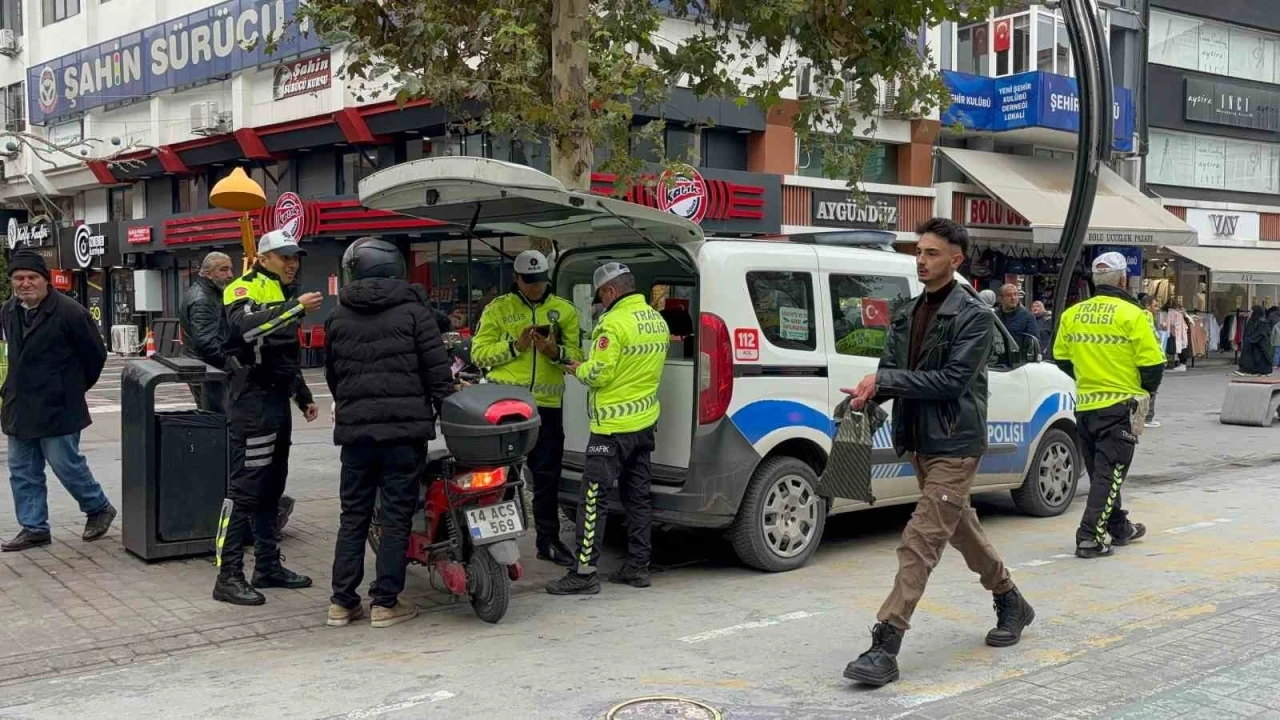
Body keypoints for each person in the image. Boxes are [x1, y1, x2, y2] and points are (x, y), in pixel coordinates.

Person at [841, 218, 1032, 688]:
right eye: (919, 252)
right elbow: (892, 371)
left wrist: (886, 381)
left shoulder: (975, 316)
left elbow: (951, 382)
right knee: (959, 529)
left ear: (955, 260)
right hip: (918, 442)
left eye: (931, 253)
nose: (921, 261)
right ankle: (1011, 599)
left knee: (920, 539)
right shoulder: (906, 312)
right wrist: (868, 395)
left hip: (956, 444)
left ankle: (885, 642)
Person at [323, 238, 455, 629]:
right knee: (396, 517)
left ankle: (341, 603)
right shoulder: (416, 314)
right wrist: (446, 408)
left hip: (356, 436)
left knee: (354, 517)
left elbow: (332, 376)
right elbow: (438, 374)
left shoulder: (337, 317)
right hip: (404, 433)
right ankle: (384, 603)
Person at [212, 230, 322, 606]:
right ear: (263, 258)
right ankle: (227, 576)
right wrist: (295, 309)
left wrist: (302, 395)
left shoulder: (285, 294)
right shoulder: (242, 288)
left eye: (295, 257)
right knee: (244, 490)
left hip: (275, 401)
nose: (292, 263)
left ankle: (268, 566)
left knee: (272, 487)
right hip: (251, 402)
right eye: (283, 256)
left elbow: (282, 356)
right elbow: (245, 329)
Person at [546, 262, 668, 595]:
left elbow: (599, 373)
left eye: (600, 295)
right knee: (638, 498)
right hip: (644, 424)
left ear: (610, 291)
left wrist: (576, 368)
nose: (599, 302)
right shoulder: (657, 320)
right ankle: (638, 567)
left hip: (611, 428)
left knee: (592, 499)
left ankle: (584, 573)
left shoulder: (611, 324)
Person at [471, 250, 582, 567]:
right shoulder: (498, 309)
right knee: (499, 475)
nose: (535, 287)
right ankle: (494, 542)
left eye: (540, 281)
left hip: (547, 407)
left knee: (548, 478)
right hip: (505, 407)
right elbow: (479, 354)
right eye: (529, 282)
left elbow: (577, 357)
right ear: (516, 279)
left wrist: (554, 350)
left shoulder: (564, 311)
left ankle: (548, 540)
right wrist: (514, 347)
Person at [0, 252, 116, 552]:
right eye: (19, 278)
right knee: (22, 469)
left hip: (58, 405)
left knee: (65, 464)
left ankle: (98, 507)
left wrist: (72, 389)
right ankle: (34, 527)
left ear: (45, 280)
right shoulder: (9, 310)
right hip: (20, 405)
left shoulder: (71, 312)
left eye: (32, 278)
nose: (25, 283)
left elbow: (95, 356)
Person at [1053, 252, 1165, 559]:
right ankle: (1089, 537)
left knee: (1103, 473)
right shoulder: (1134, 315)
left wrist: (1088, 378)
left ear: (1094, 279)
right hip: (1120, 407)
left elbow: (1061, 358)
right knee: (1109, 474)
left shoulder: (1072, 314)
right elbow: (1153, 365)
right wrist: (1144, 392)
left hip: (1085, 406)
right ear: (1123, 280)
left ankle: (1119, 527)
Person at [179, 251, 234, 413]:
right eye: (223, 270)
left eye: (230, 269)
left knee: (214, 418)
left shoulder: (209, 293)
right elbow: (206, 342)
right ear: (208, 274)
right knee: (216, 419)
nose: (230, 275)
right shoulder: (203, 299)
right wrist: (233, 363)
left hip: (205, 368)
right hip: (208, 370)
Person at [1139, 294, 1162, 429]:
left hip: (1149, 358)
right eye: (1155, 306)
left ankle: (1145, 416)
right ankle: (1147, 417)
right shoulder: (1146, 316)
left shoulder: (1145, 316)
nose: (1158, 309)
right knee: (1150, 391)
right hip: (1151, 359)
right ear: (1147, 307)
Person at [997, 283, 1038, 348]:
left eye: (1015, 294)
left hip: (1018, 356)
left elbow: (1034, 342)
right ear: (1001, 298)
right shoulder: (995, 316)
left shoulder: (1027, 316)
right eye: (1009, 295)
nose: (1013, 298)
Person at [1237, 305, 1274, 377]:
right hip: (1255, 349)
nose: (1250, 312)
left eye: (1251, 311)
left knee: (1259, 358)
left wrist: (1251, 340)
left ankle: (1259, 371)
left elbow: (1262, 337)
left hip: (1260, 350)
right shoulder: (1252, 321)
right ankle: (1246, 370)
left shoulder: (1262, 323)